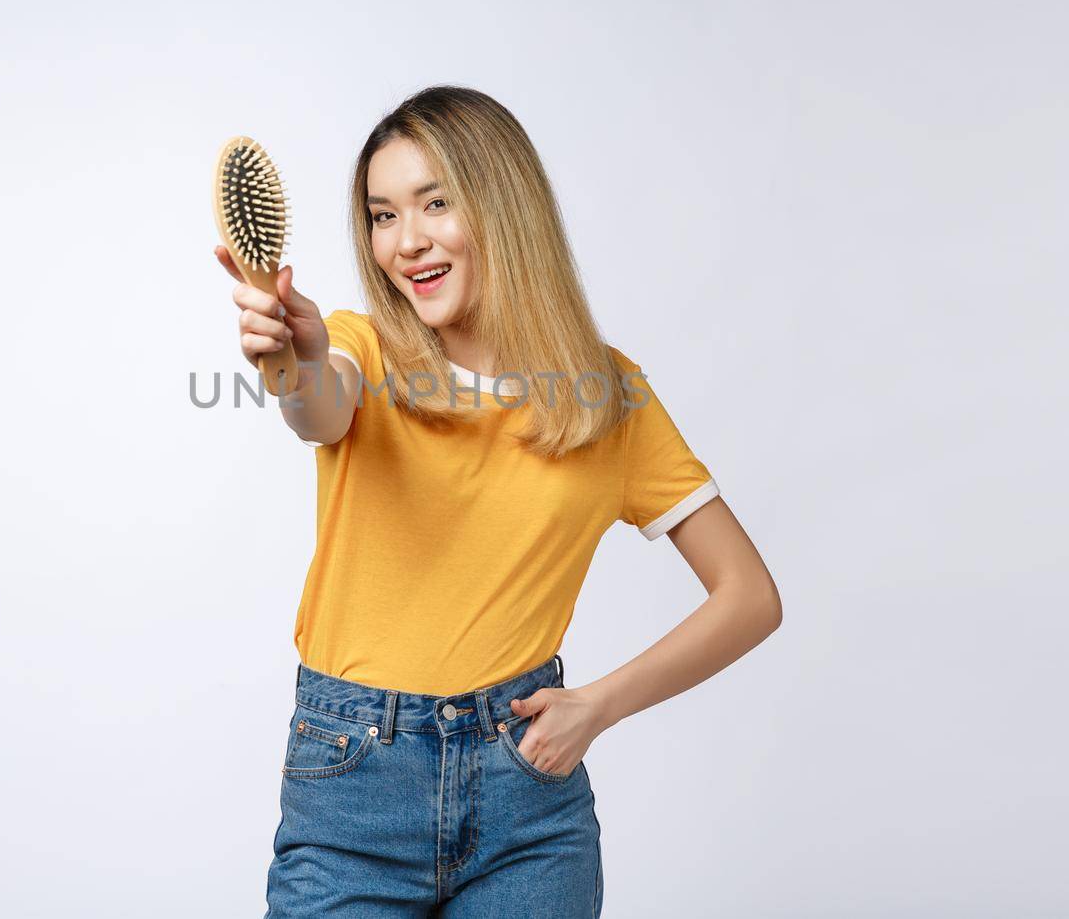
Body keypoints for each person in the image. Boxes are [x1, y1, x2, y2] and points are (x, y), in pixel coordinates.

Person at [213, 85, 782, 917]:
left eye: (434, 203)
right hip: (352, 792)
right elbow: (315, 406)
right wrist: (293, 360)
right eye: (381, 215)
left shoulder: (607, 395)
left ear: (502, 204)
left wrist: (597, 705)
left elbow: (750, 596)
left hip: (529, 809)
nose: (406, 242)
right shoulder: (359, 349)